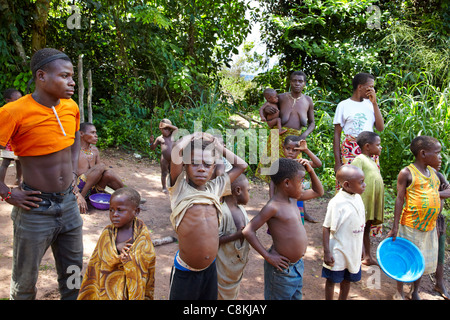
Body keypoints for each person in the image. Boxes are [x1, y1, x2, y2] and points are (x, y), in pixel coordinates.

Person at [0, 48, 83, 300]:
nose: (71, 82)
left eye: (73, 77)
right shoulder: (14, 111)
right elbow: (2, 153)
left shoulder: (70, 107)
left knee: (73, 274)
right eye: (65, 76)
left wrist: (74, 169)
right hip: (35, 208)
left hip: (68, 204)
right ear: (41, 76)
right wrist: (6, 192)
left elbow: (76, 137)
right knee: (25, 282)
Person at [167, 132, 248, 300]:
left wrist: (219, 148)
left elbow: (242, 166)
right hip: (185, 271)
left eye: (207, 164)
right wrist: (194, 136)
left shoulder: (216, 188)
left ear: (213, 168)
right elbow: (176, 150)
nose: (201, 168)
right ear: (185, 166)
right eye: (194, 163)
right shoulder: (179, 188)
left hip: (211, 269)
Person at [243, 157, 324, 300]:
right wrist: (268, 257)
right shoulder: (273, 207)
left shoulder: (294, 198)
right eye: (301, 181)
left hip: (297, 266)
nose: (304, 185)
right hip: (280, 271)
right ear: (287, 183)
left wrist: (310, 170)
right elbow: (248, 230)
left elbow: (319, 192)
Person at [387, 136, 450, 300]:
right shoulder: (407, 173)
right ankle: (399, 291)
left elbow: (446, 191)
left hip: (429, 226)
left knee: (420, 260)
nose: (440, 157)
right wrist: (395, 227)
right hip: (410, 225)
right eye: (437, 153)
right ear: (423, 153)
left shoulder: (435, 174)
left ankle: (414, 291)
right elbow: (399, 199)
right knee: (405, 258)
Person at [77, 187, 156, 300]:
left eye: (120, 210)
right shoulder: (107, 233)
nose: (114, 214)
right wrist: (116, 248)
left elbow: (148, 257)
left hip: (131, 289)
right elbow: (99, 259)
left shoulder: (142, 236)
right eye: (111, 210)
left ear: (136, 211)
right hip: (108, 289)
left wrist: (131, 259)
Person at [256, 71, 315, 181]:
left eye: (300, 81)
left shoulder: (308, 101)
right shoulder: (281, 98)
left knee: (291, 174)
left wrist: (304, 135)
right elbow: (267, 112)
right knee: (272, 174)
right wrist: (266, 110)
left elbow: (312, 123)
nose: (297, 83)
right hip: (276, 136)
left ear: (304, 84)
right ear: (290, 83)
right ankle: (273, 198)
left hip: (295, 141)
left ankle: (287, 198)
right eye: (294, 81)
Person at [322, 165, 366, 300]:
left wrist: (362, 246)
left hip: (354, 249)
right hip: (338, 251)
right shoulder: (337, 203)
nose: (364, 185)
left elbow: (360, 225)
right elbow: (326, 227)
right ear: (347, 185)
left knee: (347, 280)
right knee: (332, 279)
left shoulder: (357, 197)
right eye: (361, 182)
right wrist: (327, 252)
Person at [333, 73, 384, 183]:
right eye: (370, 87)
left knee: (370, 182)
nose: (372, 90)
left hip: (369, 148)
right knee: (349, 182)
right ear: (360, 87)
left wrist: (375, 103)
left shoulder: (370, 104)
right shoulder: (343, 105)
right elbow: (337, 134)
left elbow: (380, 128)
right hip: (350, 149)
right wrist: (337, 162)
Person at [269, 135, 322, 223]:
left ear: (299, 150)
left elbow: (318, 164)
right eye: (288, 148)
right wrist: (271, 201)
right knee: (282, 222)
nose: (290, 152)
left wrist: (306, 150)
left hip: (297, 198)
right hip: (282, 199)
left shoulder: (300, 162)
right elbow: (272, 184)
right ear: (283, 148)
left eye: (295, 150)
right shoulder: (280, 164)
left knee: (296, 220)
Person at [75, 122, 124, 214]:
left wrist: (108, 175)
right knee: (101, 166)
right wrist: (78, 195)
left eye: (96, 133)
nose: (96, 136)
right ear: (81, 134)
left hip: (93, 189)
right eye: (92, 133)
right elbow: (69, 175)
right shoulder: (74, 150)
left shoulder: (94, 150)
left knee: (108, 173)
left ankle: (128, 195)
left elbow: (101, 172)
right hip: (78, 189)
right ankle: (81, 198)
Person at [351, 131, 384, 266]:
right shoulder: (359, 159)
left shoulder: (371, 160)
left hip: (371, 201)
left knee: (366, 228)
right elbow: (354, 178)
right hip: (363, 201)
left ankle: (367, 256)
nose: (380, 147)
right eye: (378, 144)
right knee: (359, 227)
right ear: (367, 146)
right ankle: (358, 254)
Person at [217, 174, 251, 300]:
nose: (249, 194)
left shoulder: (241, 209)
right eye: (248, 190)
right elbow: (213, 240)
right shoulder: (222, 212)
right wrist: (236, 235)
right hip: (222, 271)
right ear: (238, 190)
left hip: (235, 269)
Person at [0, 88, 23, 185]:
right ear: (7, 101)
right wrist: (2, 142)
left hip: (19, 142)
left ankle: (18, 180)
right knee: (6, 163)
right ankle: (1, 183)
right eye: (16, 100)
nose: (19, 102)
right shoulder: (5, 111)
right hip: (8, 142)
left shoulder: (20, 110)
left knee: (19, 162)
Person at [149, 118, 178, 193]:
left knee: (173, 173)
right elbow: (152, 148)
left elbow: (176, 129)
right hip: (164, 159)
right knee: (164, 173)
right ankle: (164, 187)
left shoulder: (173, 135)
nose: (168, 131)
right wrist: (151, 142)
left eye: (169, 129)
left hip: (173, 159)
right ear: (161, 130)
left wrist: (167, 125)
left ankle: (172, 187)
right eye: (165, 129)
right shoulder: (159, 138)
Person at [434, 169, 449, 299]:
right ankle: (413, 286)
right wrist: (440, 193)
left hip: (438, 220)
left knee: (440, 253)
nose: (439, 158)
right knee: (421, 253)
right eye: (437, 154)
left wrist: (441, 193)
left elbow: (449, 191)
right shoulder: (416, 173)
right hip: (423, 221)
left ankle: (439, 283)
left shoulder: (438, 175)